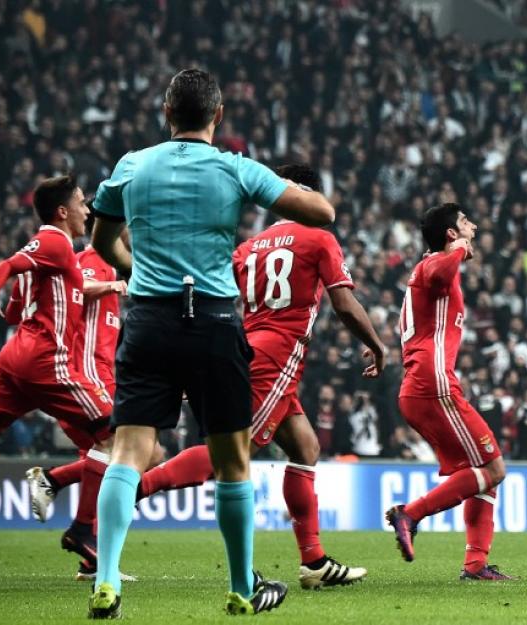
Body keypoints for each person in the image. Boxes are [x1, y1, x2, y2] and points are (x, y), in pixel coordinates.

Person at [86, 69, 334, 618]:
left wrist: (134, 265)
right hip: (216, 322)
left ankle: (106, 581)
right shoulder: (236, 168)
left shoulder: (133, 164)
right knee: (232, 461)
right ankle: (242, 589)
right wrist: (268, 192)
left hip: (148, 319)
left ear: (166, 112)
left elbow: (101, 239)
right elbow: (323, 213)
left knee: (126, 453)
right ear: (217, 117)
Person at [132, 163, 384, 590]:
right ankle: (130, 491)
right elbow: (342, 303)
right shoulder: (319, 236)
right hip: (278, 356)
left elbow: (212, 296)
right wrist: (377, 344)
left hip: (245, 347)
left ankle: (315, 562)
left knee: (305, 445)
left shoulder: (248, 248)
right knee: (230, 453)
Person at [0, 175, 120, 564]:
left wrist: (19, 298)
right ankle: (83, 530)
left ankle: (79, 523)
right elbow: (7, 264)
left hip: (16, 361)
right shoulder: (54, 241)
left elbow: (17, 310)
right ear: (63, 211)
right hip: (46, 361)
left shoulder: (55, 258)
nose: (88, 211)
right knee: (112, 436)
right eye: (82, 203)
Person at [20, 240, 163, 581]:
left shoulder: (113, 265)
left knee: (114, 461)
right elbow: (74, 288)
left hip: (103, 373)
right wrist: (111, 284)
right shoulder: (91, 260)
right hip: (87, 375)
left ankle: (91, 559)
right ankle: (63, 497)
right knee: (138, 451)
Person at [385, 203, 513, 581]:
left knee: (480, 472)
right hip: (433, 384)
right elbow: (440, 270)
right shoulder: (433, 265)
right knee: (493, 468)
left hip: (422, 385)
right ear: (450, 234)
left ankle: (475, 565)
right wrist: (456, 251)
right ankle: (411, 513)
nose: (474, 225)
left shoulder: (425, 271)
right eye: (464, 222)